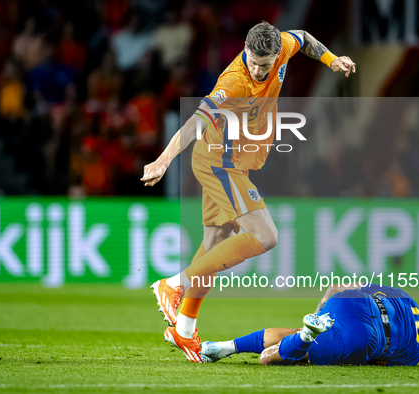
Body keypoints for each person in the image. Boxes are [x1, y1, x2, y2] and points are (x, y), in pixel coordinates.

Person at [141, 21, 356, 362]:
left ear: (275, 55)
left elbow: (304, 39)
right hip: (219, 162)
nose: (258, 70)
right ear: (246, 49)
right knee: (266, 235)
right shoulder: (233, 81)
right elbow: (195, 121)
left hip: (233, 160)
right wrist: (163, 161)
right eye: (254, 62)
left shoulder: (283, 45)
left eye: (265, 65)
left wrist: (332, 60)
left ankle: (183, 330)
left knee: (213, 243)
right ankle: (174, 284)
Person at [200, 283, 419, 366]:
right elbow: (380, 361)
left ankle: (224, 346)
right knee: (295, 352)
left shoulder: (408, 300)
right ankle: (306, 336)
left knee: (298, 330)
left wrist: (322, 309)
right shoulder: (414, 354)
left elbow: (342, 285)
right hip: (367, 337)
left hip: (354, 302)